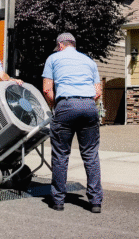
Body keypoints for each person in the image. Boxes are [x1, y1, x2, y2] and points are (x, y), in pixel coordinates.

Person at [42, 32, 103, 213]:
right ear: (73, 45)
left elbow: (47, 90)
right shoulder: (89, 61)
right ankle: (95, 202)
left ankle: (59, 200)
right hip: (89, 106)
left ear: (61, 45)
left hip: (65, 106)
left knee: (61, 155)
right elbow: (97, 92)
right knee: (91, 155)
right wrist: (84, 103)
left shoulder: (53, 58)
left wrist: (56, 107)